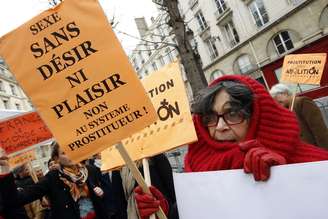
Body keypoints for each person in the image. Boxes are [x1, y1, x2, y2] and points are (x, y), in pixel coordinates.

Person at [133, 75, 328, 218]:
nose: (220, 127)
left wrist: (284, 178)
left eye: (233, 113)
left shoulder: (316, 165)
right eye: (210, 117)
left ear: (258, 115)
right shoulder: (196, 173)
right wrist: (162, 211)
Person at [0, 143, 115, 219]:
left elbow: (110, 196)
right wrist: (5, 170)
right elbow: (16, 200)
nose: (70, 154)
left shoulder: (91, 170)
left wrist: (101, 192)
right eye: (64, 153)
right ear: (56, 158)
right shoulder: (52, 178)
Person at [270, 83, 328, 148]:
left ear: (285, 93)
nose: (276, 102)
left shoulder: (302, 102)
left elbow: (318, 128)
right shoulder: (287, 109)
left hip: (315, 147)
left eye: (278, 100)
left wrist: (325, 150)